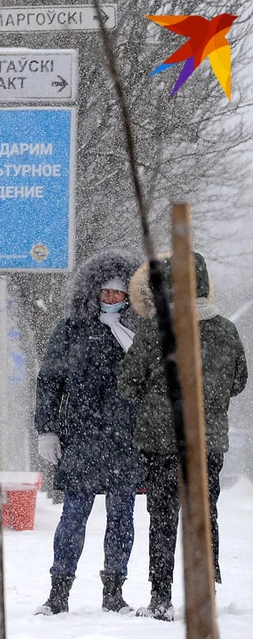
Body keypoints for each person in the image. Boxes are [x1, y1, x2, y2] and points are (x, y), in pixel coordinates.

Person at [118, 252, 247, 621]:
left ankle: (161, 597)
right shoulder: (225, 329)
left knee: (162, 518)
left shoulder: (156, 328)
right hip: (207, 441)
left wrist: (155, 398)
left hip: (161, 441)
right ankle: (204, 590)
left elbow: (128, 383)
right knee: (203, 513)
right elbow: (238, 381)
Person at [33, 249, 143, 615]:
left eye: (119, 293)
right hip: (81, 438)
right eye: (106, 292)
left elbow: (156, 383)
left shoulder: (138, 332)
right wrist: (47, 430)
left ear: (130, 296)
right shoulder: (71, 329)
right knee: (73, 518)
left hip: (126, 439)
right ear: (93, 291)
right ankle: (58, 592)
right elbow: (50, 381)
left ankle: (114, 591)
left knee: (122, 519)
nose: (112, 298)